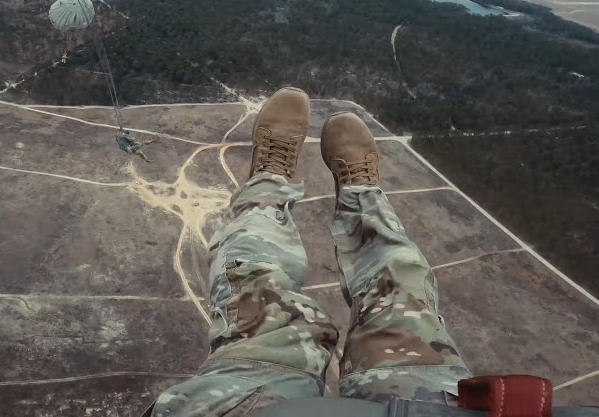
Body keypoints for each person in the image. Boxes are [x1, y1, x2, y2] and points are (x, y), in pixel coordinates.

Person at [146, 87, 471, 416]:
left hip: (246, 398)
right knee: (405, 293)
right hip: (431, 400)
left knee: (255, 289)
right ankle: (363, 197)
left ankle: (267, 184)